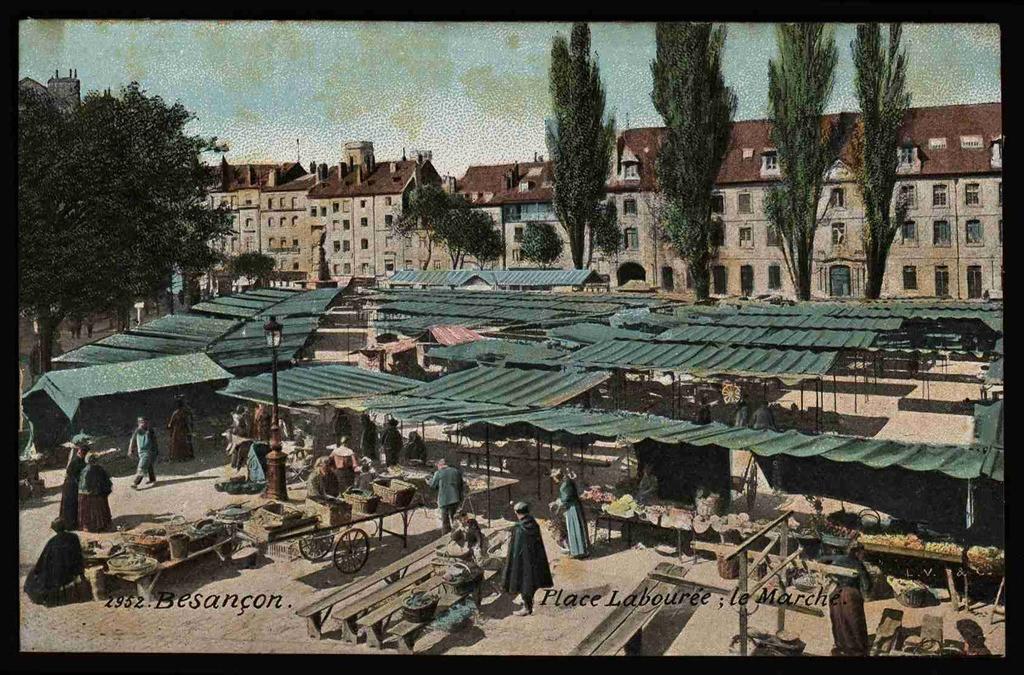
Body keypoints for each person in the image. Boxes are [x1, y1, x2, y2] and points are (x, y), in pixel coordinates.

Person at [819, 541, 873, 656]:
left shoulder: (839, 558)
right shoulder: (858, 564)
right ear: (857, 552)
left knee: (839, 620)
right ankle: (857, 649)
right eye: (863, 553)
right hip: (850, 594)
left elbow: (822, 559)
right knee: (854, 621)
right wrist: (866, 593)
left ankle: (841, 646)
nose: (864, 556)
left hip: (836, 594)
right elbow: (866, 584)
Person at [502, 501, 554, 616]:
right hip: (534, 560)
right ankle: (528, 603)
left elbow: (515, 549)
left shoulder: (519, 528)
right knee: (531, 583)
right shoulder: (533, 523)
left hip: (523, 561)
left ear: (517, 512)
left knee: (524, 583)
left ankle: (527, 608)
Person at [24, 518, 86, 607]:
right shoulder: (74, 537)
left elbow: (42, 561)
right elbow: (79, 554)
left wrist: (36, 570)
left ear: (55, 529)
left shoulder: (52, 542)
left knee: (33, 575)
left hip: (58, 576)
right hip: (72, 571)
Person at [550, 469, 590, 559]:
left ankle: (578, 552)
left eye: (554, 479)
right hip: (575, 506)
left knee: (574, 528)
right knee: (578, 527)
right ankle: (581, 550)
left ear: (557, 477)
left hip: (572, 509)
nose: (554, 481)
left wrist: (555, 503)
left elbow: (565, 499)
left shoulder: (565, 484)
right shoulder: (567, 481)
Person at [77, 453, 113, 532]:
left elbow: (82, 485)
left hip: (88, 495)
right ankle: (100, 525)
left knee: (90, 511)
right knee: (96, 509)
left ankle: (90, 526)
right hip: (95, 494)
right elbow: (107, 481)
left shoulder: (85, 469)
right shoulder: (98, 469)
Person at [59, 436, 89, 530]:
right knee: (70, 505)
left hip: (72, 484)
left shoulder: (80, 460)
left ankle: (71, 524)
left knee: (72, 505)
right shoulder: (76, 461)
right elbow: (70, 472)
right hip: (71, 485)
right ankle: (69, 525)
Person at [429, 458, 465, 534]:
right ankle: (457, 534)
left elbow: (433, 485)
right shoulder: (456, 471)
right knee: (454, 518)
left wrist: (428, 481)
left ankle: (446, 537)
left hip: (444, 500)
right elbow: (461, 485)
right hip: (455, 498)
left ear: (440, 465)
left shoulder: (438, 472)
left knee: (445, 521)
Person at [128, 416, 159, 489]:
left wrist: (156, 450)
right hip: (142, 451)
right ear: (139, 423)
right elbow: (132, 440)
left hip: (149, 451)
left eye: (145, 422)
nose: (144, 424)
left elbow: (155, 441)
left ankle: (135, 483)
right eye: (142, 422)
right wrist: (130, 449)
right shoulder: (137, 431)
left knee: (142, 466)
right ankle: (152, 479)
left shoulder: (150, 431)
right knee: (148, 464)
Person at [166, 396, 194, 462]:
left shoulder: (175, 413)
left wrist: (169, 427)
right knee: (185, 442)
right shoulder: (185, 412)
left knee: (176, 443)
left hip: (177, 430)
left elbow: (171, 423)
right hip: (184, 429)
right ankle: (186, 456)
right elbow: (189, 419)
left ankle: (178, 457)